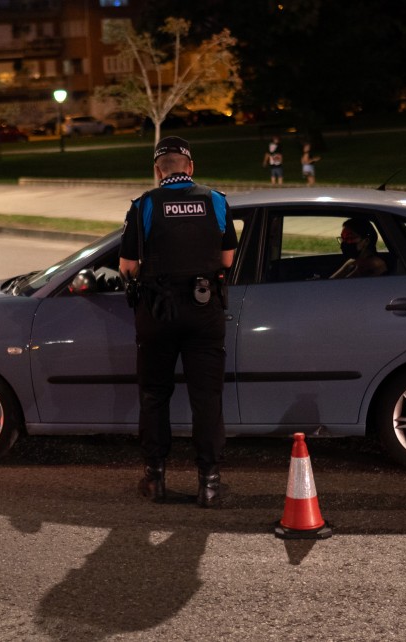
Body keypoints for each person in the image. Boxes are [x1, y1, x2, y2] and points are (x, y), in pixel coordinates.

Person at [119, 136, 238, 508]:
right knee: (207, 399)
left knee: (155, 396)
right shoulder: (216, 200)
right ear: (190, 167)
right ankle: (210, 484)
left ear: (158, 170)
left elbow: (127, 267)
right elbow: (228, 261)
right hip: (204, 313)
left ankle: (155, 479)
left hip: (157, 313)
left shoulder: (144, 206)